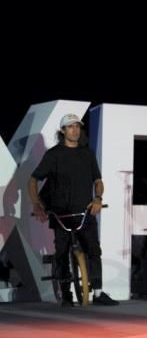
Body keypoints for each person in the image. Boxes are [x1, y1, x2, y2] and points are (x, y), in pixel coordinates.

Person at [29, 114, 118, 307]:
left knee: (94, 250)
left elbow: (98, 181)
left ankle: (98, 292)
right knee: (61, 253)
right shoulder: (53, 155)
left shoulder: (87, 154)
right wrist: (36, 204)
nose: (75, 130)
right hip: (61, 214)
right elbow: (33, 180)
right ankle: (66, 294)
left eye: (77, 126)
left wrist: (98, 198)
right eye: (70, 127)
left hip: (85, 212)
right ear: (63, 131)